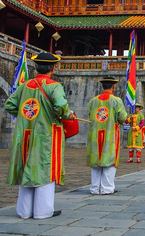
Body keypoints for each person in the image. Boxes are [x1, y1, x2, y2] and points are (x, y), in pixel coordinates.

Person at [5, 52, 74, 219]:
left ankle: (24, 211)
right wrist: (67, 114)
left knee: (27, 167)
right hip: (46, 135)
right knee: (44, 169)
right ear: (53, 68)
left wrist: (24, 115)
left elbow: (9, 104)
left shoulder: (25, 86)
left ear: (36, 67)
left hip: (25, 134)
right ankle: (43, 211)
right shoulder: (54, 86)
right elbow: (61, 106)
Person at [87, 77, 128, 195]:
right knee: (109, 160)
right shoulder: (116, 100)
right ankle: (107, 188)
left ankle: (94, 188)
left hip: (95, 134)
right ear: (113, 87)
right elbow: (122, 117)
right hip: (110, 134)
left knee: (96, 160)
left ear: (102, 86)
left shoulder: (93, 101)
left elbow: (91, 115)